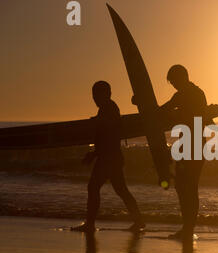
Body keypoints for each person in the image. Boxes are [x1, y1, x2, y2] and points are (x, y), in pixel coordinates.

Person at [132, 65, 207, 240]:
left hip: (191, 145)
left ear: (182, 77)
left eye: (173, 81)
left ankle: (187, 230)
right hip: (196, 144)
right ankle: (188, 229)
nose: (173, 84)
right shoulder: (198, 93)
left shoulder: (184, 94)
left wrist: (141, 103)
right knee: (188, 187)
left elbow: (160, 112)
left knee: (185, 188)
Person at [72, 81, 145, 233]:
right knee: (121, 190)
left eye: (97, 94)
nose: (94, 98)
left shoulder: (110, 108)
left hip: (109, 158)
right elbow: (105, 136)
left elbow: (111, 130)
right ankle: (139, 221)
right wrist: (94, 153)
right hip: (111, 157)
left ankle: (90, 224)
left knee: (93, 187)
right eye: (93, 94)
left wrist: (98, 122)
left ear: (106, 94)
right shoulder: (105, 109)